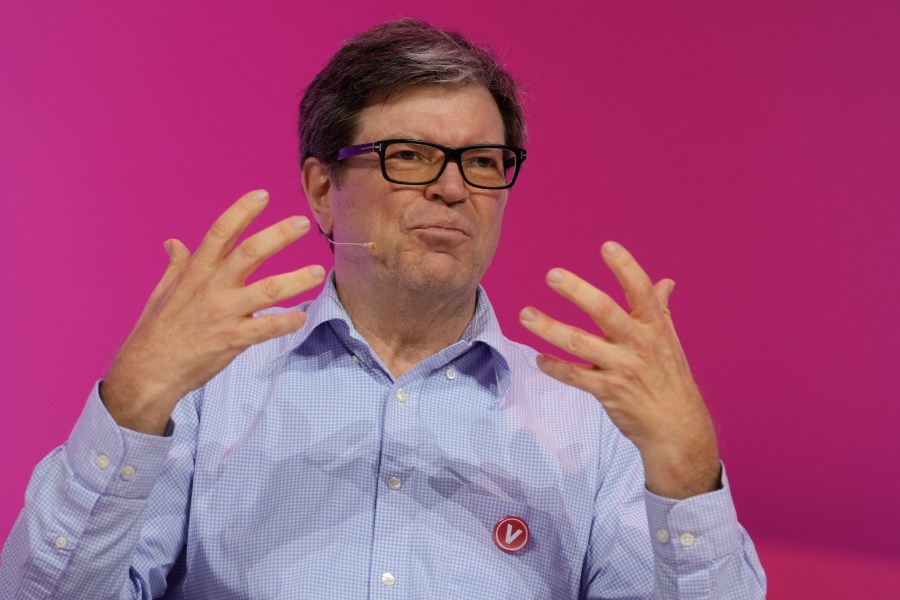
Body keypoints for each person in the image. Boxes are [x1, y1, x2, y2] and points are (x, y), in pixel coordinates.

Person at [0, 18, 766, 599]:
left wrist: (689, 473)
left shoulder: (595, 413)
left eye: (483, 162)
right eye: (410, 155)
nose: (453, 188)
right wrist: (130, 407)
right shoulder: (204, 390)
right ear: (323, 190)